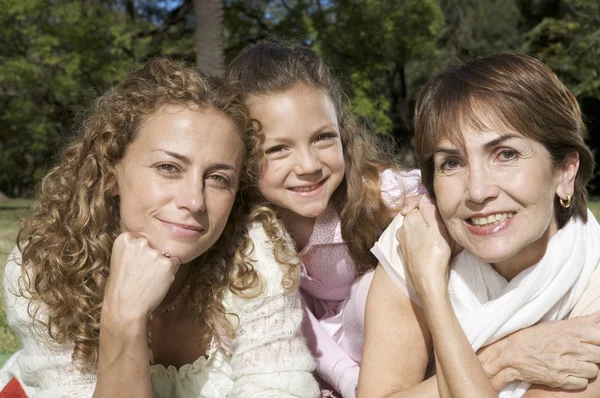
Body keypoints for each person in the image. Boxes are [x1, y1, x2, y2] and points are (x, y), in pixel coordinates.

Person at [0, 57, 320, 397]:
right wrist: (124, 318)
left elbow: (281, 388)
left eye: (218, 178)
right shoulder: (45, 266)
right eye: (168, 167)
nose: (194, 201)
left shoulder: (255, 253)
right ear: (110, 173)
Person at [359, 52, 600, 397]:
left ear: (564, 172)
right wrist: (504, 359)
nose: (477, 191)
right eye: (452, 162)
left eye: (506, 154)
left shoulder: (592, 288)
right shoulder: (415, 246)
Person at [225, 41, 423, 398]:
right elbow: (294, 318)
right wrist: (348, 381)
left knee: (375, 283)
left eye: (322, 138)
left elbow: (440, 188)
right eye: (278, 149)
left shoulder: (378, 194)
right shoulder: (247, 231)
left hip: (390, 334)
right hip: (313, 349)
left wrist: (428, 209)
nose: (309, 165)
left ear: (342, 133)